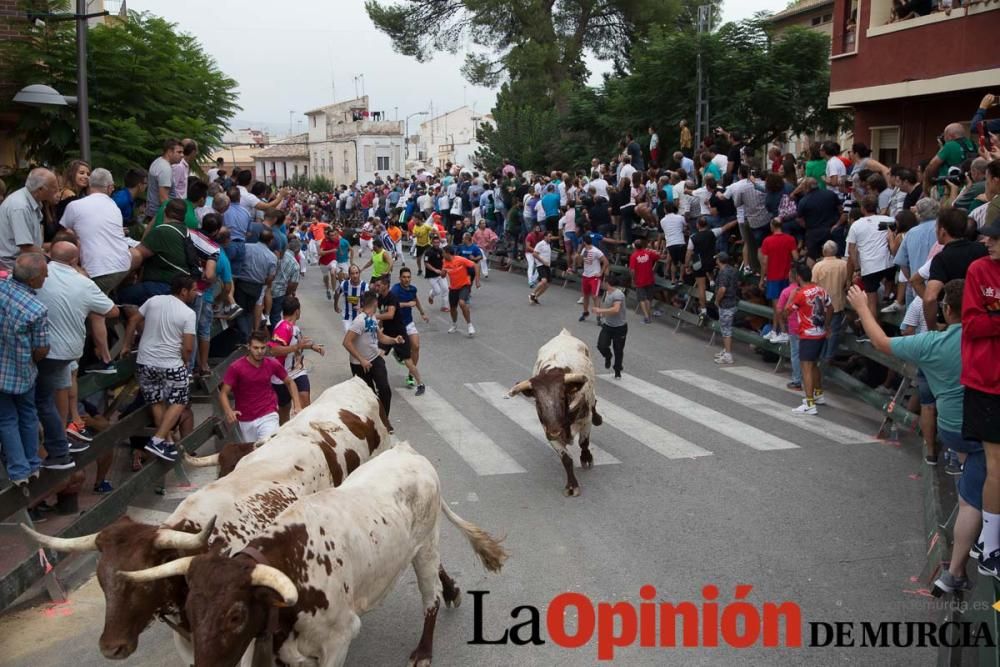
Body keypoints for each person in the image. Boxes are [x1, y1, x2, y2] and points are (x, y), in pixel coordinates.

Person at [848, 280, 980, 591]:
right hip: (983, 427)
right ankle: (960, 567)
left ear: (946, 310)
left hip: (953, 428)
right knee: (974, 495)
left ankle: (958, 569)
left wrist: (862, 308)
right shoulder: (985, 338)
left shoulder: (932, 343)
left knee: (971, 497)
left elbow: (881, 342)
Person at [35, 241, 118, 471]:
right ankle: (61, 439)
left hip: (42, 348)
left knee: (43, 399)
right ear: (75, 260)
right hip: (68, 349)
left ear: (50, 254)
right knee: (54, 394)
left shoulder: (38, 274)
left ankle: (59, 443)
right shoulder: (83, 282)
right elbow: (112, 310)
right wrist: (85, 304)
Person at [963, 219, 1000, 578]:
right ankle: (990, 547)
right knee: (996, 464)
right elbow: (973, 324)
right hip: (986, 382)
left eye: (996, 236)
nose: (987, 240)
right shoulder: (979, 269)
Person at [135, 275, 198, 462]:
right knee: (180, 400)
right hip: (171, 363)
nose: (196, 294)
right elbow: (187, 347)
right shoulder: (188, 313)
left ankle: (167, 442)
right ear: (184, 291)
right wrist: (186, 362)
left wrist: (125, 345)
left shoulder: (153, 301)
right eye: (194, 290)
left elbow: (133, 320)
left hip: (145, 362)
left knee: (156, 401)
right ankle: (158, 439)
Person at [0, 254, 51, 484]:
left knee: (7, 420)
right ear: (32, 280)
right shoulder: (36, 308)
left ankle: (19, 470)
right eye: (44, 274)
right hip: (22, 371)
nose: (47, 277)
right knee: (27, 416)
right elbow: (41, 349)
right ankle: (31, 464)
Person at [60, 167, 135, 295]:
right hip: (123, 265)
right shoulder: (114, 206)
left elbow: (63, 236)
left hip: (97, 271)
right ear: (110, 187)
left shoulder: (74, 206)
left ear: (89, 184)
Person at [221, 329, 301, 442]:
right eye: (256, 348)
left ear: (267, 347)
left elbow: (290, 382)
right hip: (245, 419)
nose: (259, 351)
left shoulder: (272, 364)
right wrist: (228, 410)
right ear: (248, 347)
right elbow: (224, 392)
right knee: (253, 454)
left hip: (268, 414)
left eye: (263, 348)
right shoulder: (236, 368)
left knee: (268, 446)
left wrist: (297, 405)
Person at [342, 290, 404, 428]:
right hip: (359, 364)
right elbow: (346, 342)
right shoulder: (359, 321)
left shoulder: (373, 318)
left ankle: (384, 421)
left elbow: (381, 338)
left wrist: (394, 340)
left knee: (385, 390)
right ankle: (368, 424)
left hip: (375, 359)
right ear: (375, 302)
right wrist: (362, 359)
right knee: (367, 397)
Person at [923, 207, 988, 331]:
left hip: (954, 324)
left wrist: (932, 328)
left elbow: (930, 297)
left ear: (942, 231)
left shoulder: (941, 259)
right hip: (983, 317)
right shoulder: (983, 249)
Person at [785, 262, 832, 415]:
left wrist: (791, 298)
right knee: (814, 365)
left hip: (808, 334)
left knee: (806, 368)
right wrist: (827, 324)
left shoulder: (800, 294)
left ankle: (809, 403)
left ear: (798, 277)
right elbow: (830, 307)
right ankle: (819, 394)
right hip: (820, 333)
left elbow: (786, 312)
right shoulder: (821, 290)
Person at [268, 297, 323, 424]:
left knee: (304, 404)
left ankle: (304, 433)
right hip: (282, 376)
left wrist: (312, 346)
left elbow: (299, 344)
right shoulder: (284, 328)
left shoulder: (294, 328)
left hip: (297, 372)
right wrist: (297, 347)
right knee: (284, 409)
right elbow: (274, 350)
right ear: (297, 311)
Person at [846, 194, 895, 321]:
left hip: (869, 266)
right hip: (889, 263)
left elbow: (851, 249)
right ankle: (887, 295)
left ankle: (874, 334)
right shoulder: (889, 220)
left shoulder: (856, 225)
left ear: (862, 209)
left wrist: (857, 268)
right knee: (890, 278)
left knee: (872, 303)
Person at [373, 276, 424, 395]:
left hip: (399, 335)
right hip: (387, 334)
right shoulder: (380, 298)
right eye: (376, 285)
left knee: (408, 362)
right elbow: (383, 317)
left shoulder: (392, 298)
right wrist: (378, 329)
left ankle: (420, 384)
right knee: (378, 358)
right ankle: (378, 385)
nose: (377, 287)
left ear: (385, 285)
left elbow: (390, 315)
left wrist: (374, 316)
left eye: (379, 285)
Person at [0, 168, 58, 270]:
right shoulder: (20, 207)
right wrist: (52, 259)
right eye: (54, 187)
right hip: (13, 265)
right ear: (40, 189)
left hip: (24, 259)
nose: (57, 190)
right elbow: (26, 247)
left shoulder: (33, 201)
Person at [390, 267, 429, 394]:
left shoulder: (412, 289)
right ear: (400, 278)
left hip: (409, 323)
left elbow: (415, 300)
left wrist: (422, 313)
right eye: (404, 277)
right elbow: (392, 305)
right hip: (397, 325)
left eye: (408, 277)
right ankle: (397, 351)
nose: (406, 279)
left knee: (416, 346)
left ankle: (411, 375)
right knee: (404, 350)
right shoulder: (395, 290)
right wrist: (407, 304)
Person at [760, 218, 799, 343]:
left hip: (773, 276)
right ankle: (775, 330)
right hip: (787, 277)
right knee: (781, 305)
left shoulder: (767, 241)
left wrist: (762, 278)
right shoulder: (790, 239)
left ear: (772, 226)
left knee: (777, 305)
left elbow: (765, 262)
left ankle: (783, 331)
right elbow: (796, 257)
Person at [811, 240, 849, 363]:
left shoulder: (818, 266)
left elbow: (813, 285)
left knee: (821, 330)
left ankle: (821, 355)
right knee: (834, 330)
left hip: (821, 304)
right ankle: (829, 355)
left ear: (824, 251)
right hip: (838, 302)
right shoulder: (844, 264)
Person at [593, 273, 628, 379]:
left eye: (604, 282)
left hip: (620, 327)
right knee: (601, 345)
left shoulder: (618, 294)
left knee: (618, 350)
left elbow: (616, 309)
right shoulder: (607, 292)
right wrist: (602, 314)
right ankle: (608, 356)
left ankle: (617, 370)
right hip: (608, 325)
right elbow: (608, 306)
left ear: (607, 283)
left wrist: (600, 310)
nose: (602, 283)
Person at [441, 245, 480, 336]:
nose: (442, 254)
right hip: (453, 288)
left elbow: (476, 265)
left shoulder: (460, 259)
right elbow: (443, 275)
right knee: (453, 308)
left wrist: (477, 281)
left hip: (464, 285)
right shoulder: (444, 262)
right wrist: (442, 272)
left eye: (443, 252)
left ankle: (470, 325)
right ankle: (454, 325)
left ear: (447, 253)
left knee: (462, 303)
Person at [145, 139, 183, 223]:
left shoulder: (158, 161)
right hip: (159, 215)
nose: (182, 155)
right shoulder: (165, 169)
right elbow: (163, 199)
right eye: (179, 152)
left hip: (152, 212)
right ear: (169, 151)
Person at [713, 252, 740, 365]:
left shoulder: (723, 273)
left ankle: (728, 355)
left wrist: (717, 300)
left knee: (726, 330)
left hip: (726, 303)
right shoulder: (733, 270)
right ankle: (726, 350)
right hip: (733, 301)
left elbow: (722, 289)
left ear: (719, 260)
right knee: (726, 328)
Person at [577, 233, 609, 323]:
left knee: (595, 296)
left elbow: (606, 262)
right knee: (586, 295)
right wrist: (579, 256)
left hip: (594, 276)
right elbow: (581, 261)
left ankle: (598, 316)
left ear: (584, 242)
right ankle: (585, 312)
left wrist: (600, 273)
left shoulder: (596, 251)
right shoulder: (585, 250)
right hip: (586, 275)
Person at [628, 238, 660, 324]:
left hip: (639, 280)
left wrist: (633, 279)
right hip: (649, 279)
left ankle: (646, 316)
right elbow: (658, 256)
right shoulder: (648, 253)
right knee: (648, 299)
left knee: (642, 299)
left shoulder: (634, 256)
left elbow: (632, 270)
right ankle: (648, 316)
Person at [334, 264, 368, 332]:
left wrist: (363, 308)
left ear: (359, 273)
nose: (355, 276)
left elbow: (371, 302)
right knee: (349, 335)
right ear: (349, 275)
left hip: (361, 318)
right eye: (352, 273)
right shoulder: (344, 284)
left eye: (356, 273)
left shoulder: (365, 286)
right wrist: (335, 306)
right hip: (347, 317)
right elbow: (337, 293)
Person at [423, 234, 449, 311]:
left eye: (438, 242)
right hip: (431, 275)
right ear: (432, 243)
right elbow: (426, 263)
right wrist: (435, 270)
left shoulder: (441, 251)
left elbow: (444, 260)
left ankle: (444, 306)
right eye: (435, 242)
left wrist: (444, 270)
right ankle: (431, 295)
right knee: (437, 291)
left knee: (445, 289)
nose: (437, 244)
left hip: (440, 274)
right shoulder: (428, 252)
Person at [529, 232, 553, 305]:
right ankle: (532, 294)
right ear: (545, 237)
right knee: (544, 281)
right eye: (549, 236)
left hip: (547, 266)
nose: (550, 238)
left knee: (547, 285)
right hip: (541, 265)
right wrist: (543, 261)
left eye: (551, 236)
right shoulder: (540, 244)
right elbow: (534, 254)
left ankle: (536, 297)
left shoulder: (548, 244)